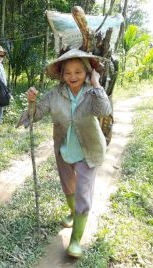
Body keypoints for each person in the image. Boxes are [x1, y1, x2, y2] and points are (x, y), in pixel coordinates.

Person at [17, 49, 112, 258]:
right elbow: (35, 115)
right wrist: (32, 101)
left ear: (87, 73)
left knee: (83, 195)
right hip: (64, 149)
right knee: (68, 187)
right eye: (67, 73)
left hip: (89, 150)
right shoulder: (54, 94)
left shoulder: (92, 91)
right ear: (61, 74)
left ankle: (76, 240)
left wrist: (96, 84)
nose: (73, 77)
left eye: (78, 72)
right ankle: (72, 212)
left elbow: (105, 110)